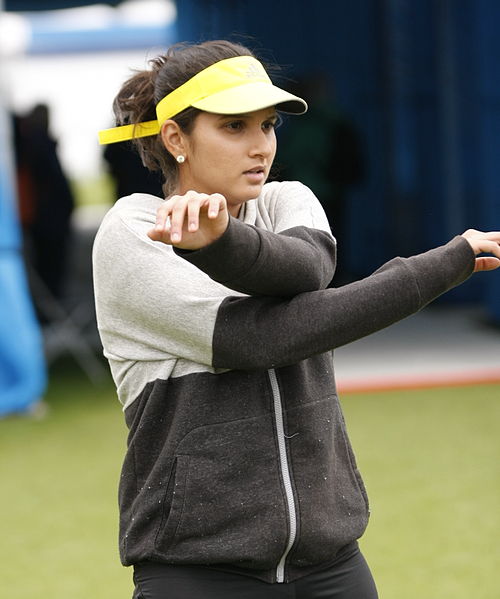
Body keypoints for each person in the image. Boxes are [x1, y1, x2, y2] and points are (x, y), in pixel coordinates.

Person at [93, 40, 500, 599]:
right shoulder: (135, 231)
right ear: (175, 138)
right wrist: (441, 266)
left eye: (268, 125)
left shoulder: (289, 200)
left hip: (332, 565)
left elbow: (309, 269)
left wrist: (219, 242)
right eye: (234, 126)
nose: (260, 145)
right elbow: (265, 338)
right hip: (196, 571)